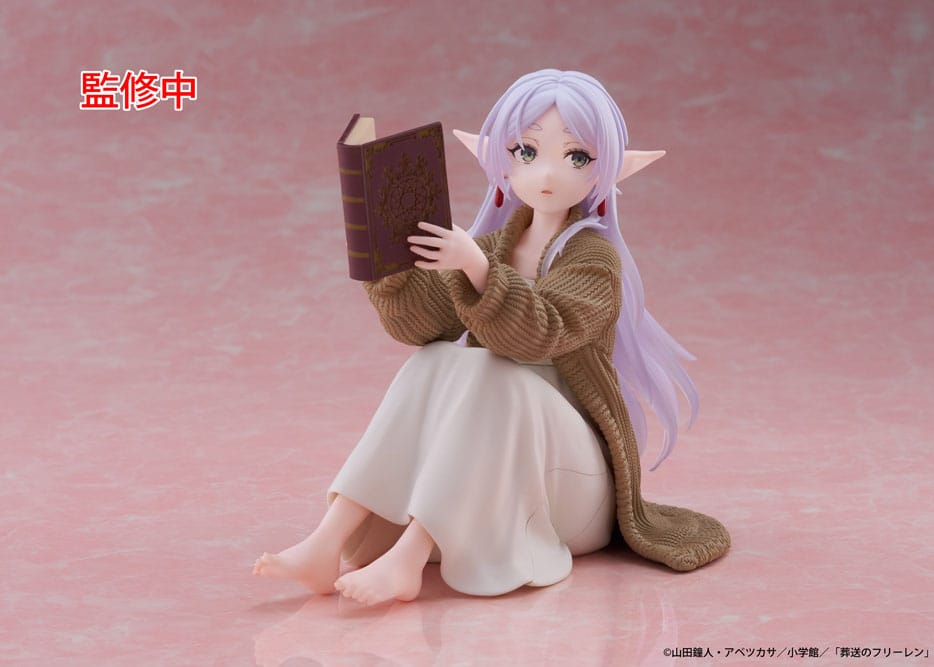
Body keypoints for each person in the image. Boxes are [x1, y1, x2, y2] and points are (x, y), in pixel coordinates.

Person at [253, 69, 730, 606]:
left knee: (495, 373)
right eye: (526, 151)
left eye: (577, 157)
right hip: (496, 475)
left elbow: (542, 332)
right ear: (502, 159)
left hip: (568, 489)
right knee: (433, 360)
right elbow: (422, 327)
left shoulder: (594, 261)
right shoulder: (491, 248)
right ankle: (325, 542)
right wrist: (390, 266)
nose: (546, 173)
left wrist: (478, 269)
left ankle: (408, 557)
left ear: (609, 169)